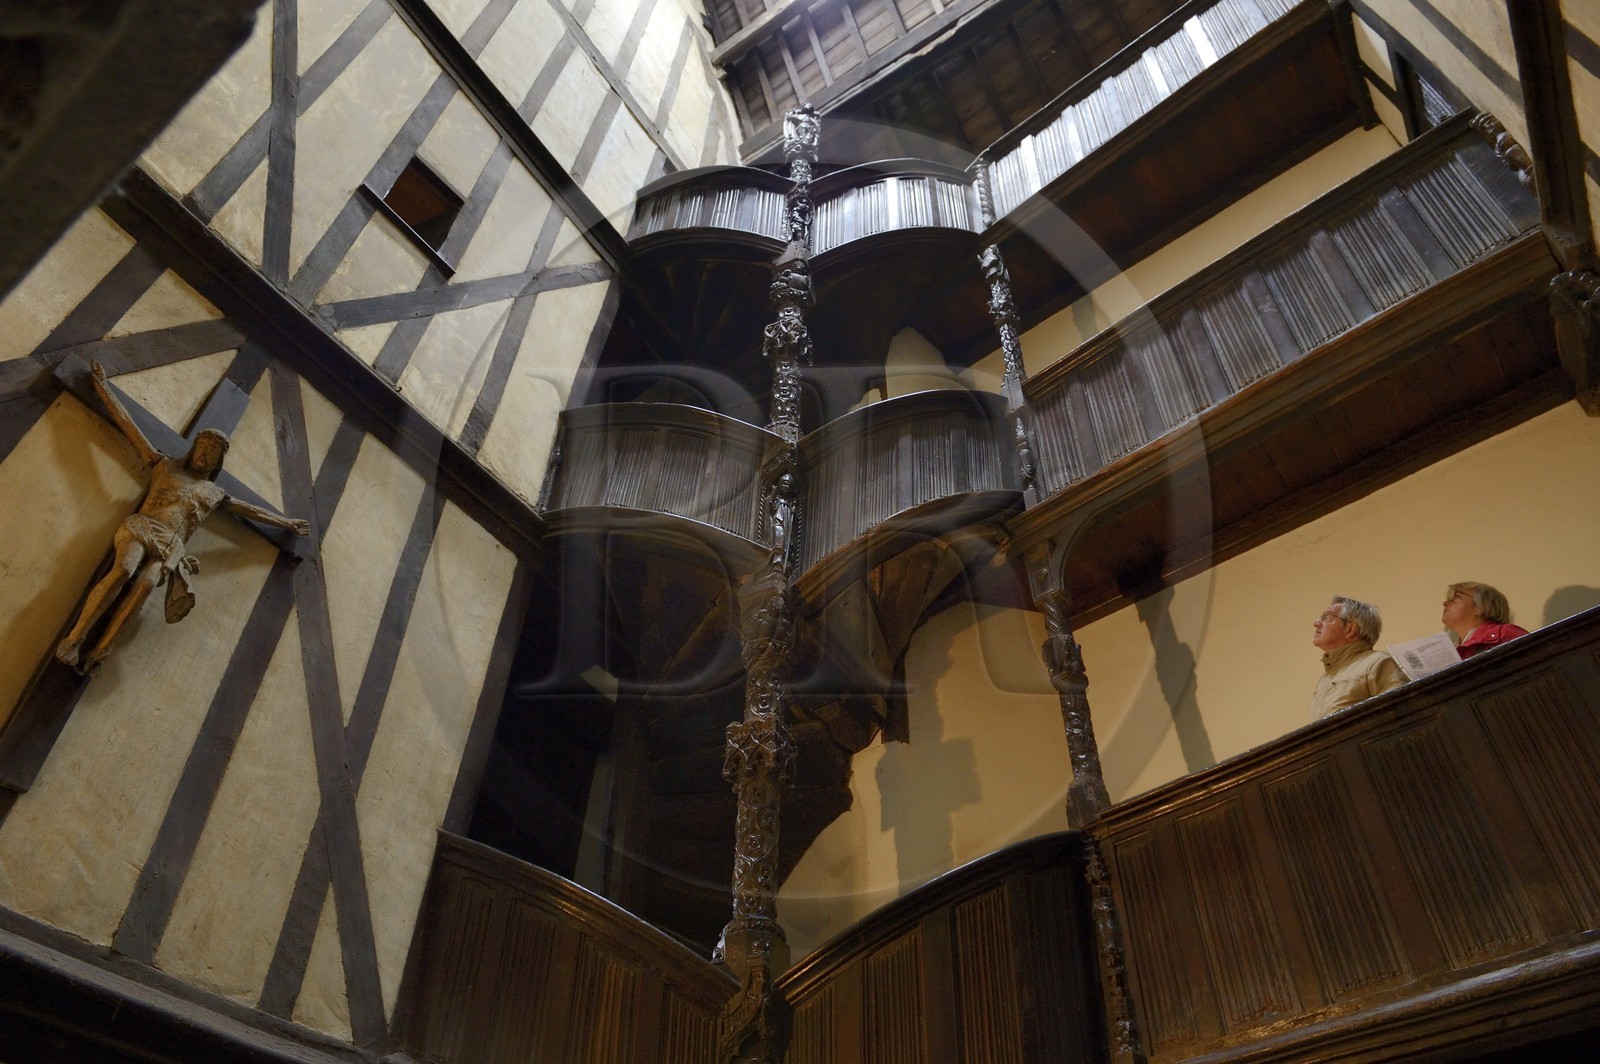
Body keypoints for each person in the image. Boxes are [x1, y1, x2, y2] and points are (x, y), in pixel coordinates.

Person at [55, 361, 310, 674]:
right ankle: (75, 638)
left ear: (218, 460)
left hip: (171, 546)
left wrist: (286, 523)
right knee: (122, 570)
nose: (205, 454)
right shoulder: (166, 467)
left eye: (212, 452)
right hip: (142, 528)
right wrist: (103, 388)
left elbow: (248, 509)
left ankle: (102, 647)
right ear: (193, 449)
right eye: (202, 446)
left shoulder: (213, 494)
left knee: (146, 587)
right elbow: (130, 427)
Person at [1310, 595, 1405, 719]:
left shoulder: (1378, 663)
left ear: (1350, 629)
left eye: (1327, 617)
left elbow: (1401, 712)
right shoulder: (1324, 679)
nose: (1316, 623)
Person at [1442, 581, 1529, 659]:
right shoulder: (1448, 652)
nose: (1445, 603)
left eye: (1457, 597)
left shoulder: (1505, 634)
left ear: (1480, 607)